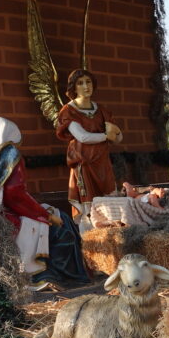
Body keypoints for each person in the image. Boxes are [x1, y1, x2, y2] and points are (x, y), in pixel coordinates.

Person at [0, 117, 90, 290]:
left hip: (0, 211)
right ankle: (45, 275)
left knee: (57, 217)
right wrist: (45, 215)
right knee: (61, 228)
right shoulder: (10, 155)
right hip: (10, 214)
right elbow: (15, 194)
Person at [56, 69, 123, 232]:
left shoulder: (101, 111)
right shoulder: (69, 111)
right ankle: (89, 241)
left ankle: (111, 235)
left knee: (109, 205)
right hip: (84, 164)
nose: (86, 86)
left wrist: (116, 133)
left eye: (89, 82)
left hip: (102, 163)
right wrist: (106, 136)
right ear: (73, 87)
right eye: (80, 83)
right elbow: (83, 137)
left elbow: (118, 137)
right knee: (88, 209)